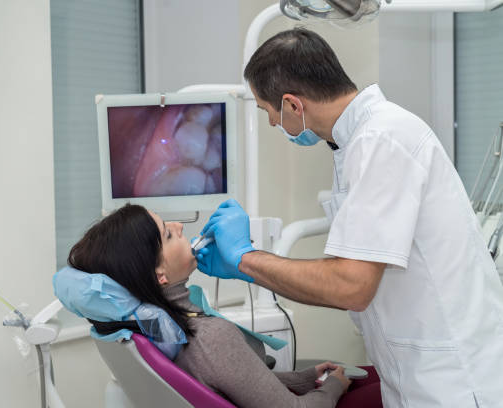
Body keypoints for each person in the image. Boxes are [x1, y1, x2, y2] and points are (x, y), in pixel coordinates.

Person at [196, 28, 503, 408]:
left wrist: (246, 258)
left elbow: (351, 286)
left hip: (453, 381)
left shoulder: (381, 139)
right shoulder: (354, 143)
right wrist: (248, 265)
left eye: (268, 112)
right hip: (418, 374)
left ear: (293, 104)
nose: (273, 125)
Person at [68, 203, 359, 408]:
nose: (179, 226)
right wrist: (335, 386)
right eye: (168, 234)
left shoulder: (158, 329)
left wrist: (305, 378)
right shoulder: (208, 337)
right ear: (160, 276)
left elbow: (233, 379)